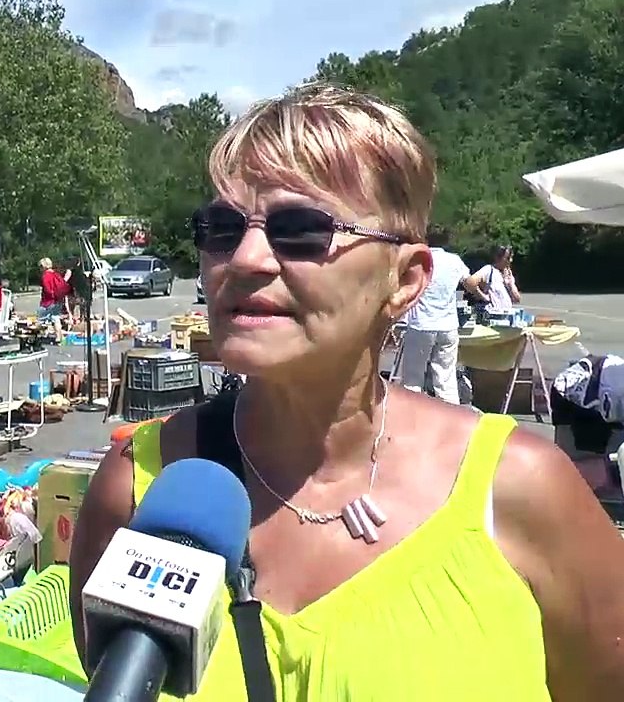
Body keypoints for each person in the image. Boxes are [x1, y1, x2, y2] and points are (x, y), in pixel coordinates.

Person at [69, 83, 624, 700]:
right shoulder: (134, 488)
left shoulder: (522, 489)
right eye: (222, 228)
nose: (246, 258)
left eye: (302, 230)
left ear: (406, 279)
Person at [398, 229, 480, 404]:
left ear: (426, 238)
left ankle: (412, 415)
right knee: (446, 378)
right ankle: (450, 416)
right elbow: (470, 282)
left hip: (422, 324)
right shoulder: (454, 260)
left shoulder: (419, 259)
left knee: (413, 378)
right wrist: (480, 294)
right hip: (448, 324)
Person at [469, 244, 521, 314]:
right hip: (493, 317)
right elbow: (469, 282)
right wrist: (483, 296)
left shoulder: (508, 274)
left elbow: (517, 299)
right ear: (497, 258)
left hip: (507, 317)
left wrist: (510, 284)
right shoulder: (488, 270)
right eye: (508, 258)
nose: (511, 260)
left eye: (511, 257)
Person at [37, 257, 70, 335]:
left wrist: (51, 296)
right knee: (55, 318)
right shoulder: (56, 274)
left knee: (41, 319)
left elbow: (47, 289)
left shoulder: (46, 276)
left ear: (43, 266)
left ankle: (41, 336)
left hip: (48, 301)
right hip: (58, 300)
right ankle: (59, 336)